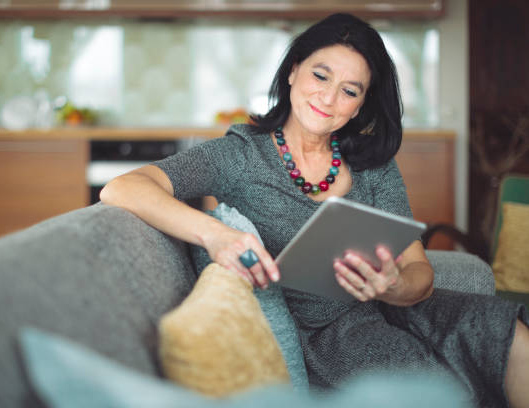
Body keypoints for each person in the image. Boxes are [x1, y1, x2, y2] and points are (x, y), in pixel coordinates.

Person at [101, 13, 529, 407]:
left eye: (349, 91)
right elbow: (124, 187)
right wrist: (216, 234)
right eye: (320, 75)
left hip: (399, 310)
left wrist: (391, 287)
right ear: (292, 71)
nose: (328, 97)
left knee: (509, 335)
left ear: (360, 105)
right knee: (428, 383)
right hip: (328, 336)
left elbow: (420, 275)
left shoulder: (373, 167)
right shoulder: (240, 155)